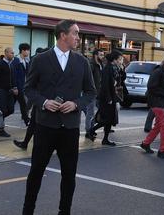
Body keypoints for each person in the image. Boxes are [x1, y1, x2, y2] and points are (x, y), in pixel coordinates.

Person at [22, 20, 96, 215]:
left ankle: (65, 211)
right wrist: (44, 102)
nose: (78, 38)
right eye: (75, 33)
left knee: (69, 175)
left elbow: (90, 92)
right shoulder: (40, 59)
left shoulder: (82, 62)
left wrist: (76, 104)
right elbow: (28, 88)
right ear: (63, 35)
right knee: (36, 172)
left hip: (70, 128)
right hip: (45, 125)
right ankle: (27, 210)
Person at [140, 55, 164, 159]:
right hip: (156, 101)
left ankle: (146, 143)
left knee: (158, 125)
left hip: (162, 101)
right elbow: (151, 87)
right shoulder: (158, 72)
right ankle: (163, 150)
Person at [86, 50, 122, 146]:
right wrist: (109, 98)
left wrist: (122, 69)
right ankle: (91, 130)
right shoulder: (108, 68)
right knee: (106, 119)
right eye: (120, 59)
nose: (121, 61)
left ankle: (105, 139)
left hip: (112, 96)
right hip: (106, 98)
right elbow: (105, 85)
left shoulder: (115, 68)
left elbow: (119, 80)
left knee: (109, 119)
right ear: (114, 60)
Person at [0, 47, 16, 137]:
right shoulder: (0, 64)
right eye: (11, 53)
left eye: (13, 53)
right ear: (6, 53)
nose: (13, 54)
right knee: (3, 110)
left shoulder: (11, 65)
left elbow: (13, 78)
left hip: (10, 90)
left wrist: (15, 87)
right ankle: (1, 130)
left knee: (11, 109)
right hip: (1, 90)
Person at [10, 43, 31, 126]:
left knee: (15, 106)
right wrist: (15, 87)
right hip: (17, 87)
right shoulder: (16, 60)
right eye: (28, 50)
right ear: (23, 50)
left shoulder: (25, 60)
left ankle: (26, 120)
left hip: (22, 86)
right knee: (20, 105)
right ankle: (27, 121)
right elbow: (14, 75)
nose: (29, 52)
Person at [85, 49, 104, 138]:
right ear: (95, 55)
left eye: (103, 55)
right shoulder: (92, 65)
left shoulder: (100, 65)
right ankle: (88, 131)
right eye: (100, 55)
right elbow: (89, 79)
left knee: (100, 111)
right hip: (92, 92)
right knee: (90, 112)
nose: (102, 57)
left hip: (99, 92)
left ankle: (92, 129)